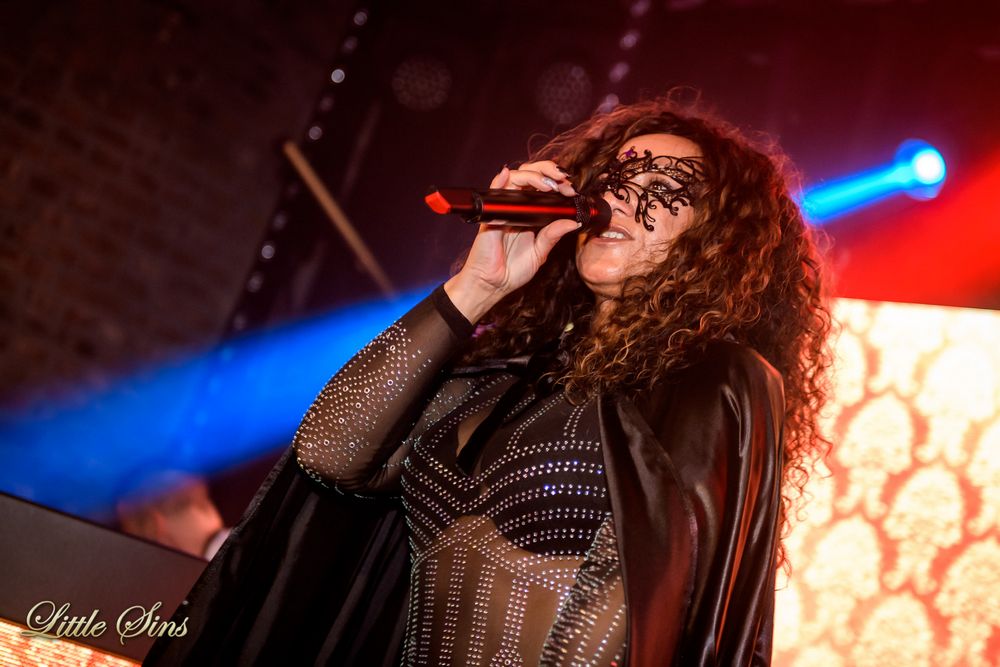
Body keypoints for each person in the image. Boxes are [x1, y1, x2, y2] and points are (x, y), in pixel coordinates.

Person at [143, 93, 833, 666]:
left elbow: (647, 594)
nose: (619, 202)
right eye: (612, 182)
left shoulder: (717, 381)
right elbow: (329, 455)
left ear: (716, 239)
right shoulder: (504, 372)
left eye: (659, 191)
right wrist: (477, 286)